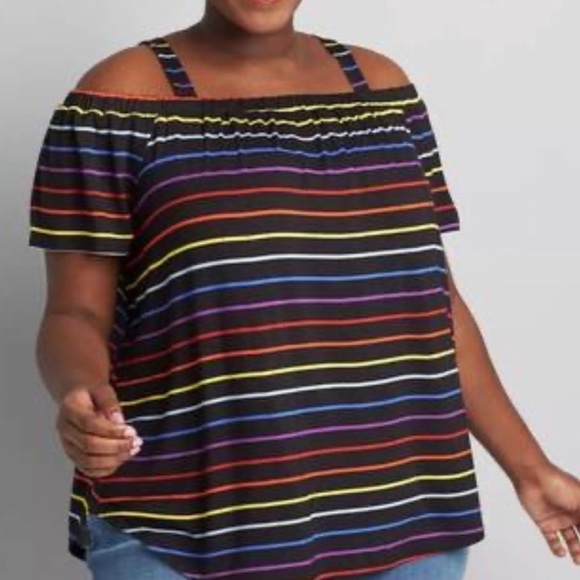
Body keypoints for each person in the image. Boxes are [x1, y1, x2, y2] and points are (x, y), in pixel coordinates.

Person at [28, 1, 580, 579]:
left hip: (404, 522)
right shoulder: (118, 98)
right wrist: (79, 391)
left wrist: (531, 470)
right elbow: (74, 311)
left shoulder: (383, 91)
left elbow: (433, 304)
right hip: (186, 524)